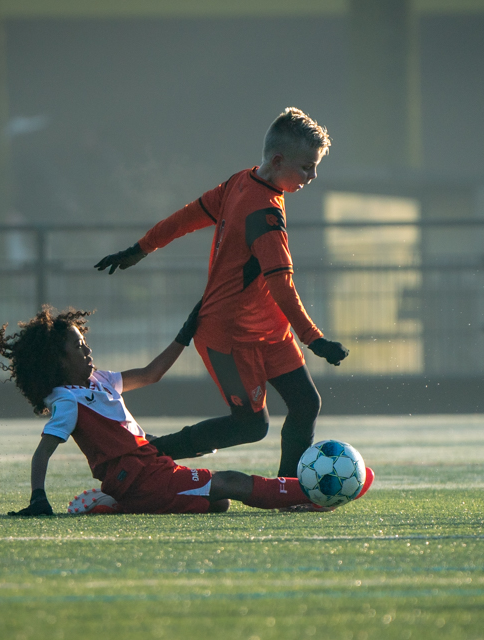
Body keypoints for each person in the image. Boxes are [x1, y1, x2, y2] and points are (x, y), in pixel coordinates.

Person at [94, 107, 348, 478]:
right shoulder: (264, 215)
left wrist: (140, 249)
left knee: (306, 403)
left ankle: (289, 488)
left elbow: (184, 218)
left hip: (269, 331)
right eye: (307, 167)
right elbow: (282, 285)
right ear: (278, 160)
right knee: (250, 425)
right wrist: (315, 339)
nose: (313, 176)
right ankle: (150, 454)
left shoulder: (240, 182)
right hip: (227, 336)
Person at [0, 305, 372, 516]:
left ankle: (116, 506)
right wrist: (37, 498)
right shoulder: (66, 399)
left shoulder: (99, 381)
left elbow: (150, 374)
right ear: (57, 361)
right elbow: (44, 449)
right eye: (78, 348)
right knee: (230, 482)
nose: (87, 351)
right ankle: (314, 495)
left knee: (219, 503)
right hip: (138, 474)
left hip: (150, 468)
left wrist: (184, 335)